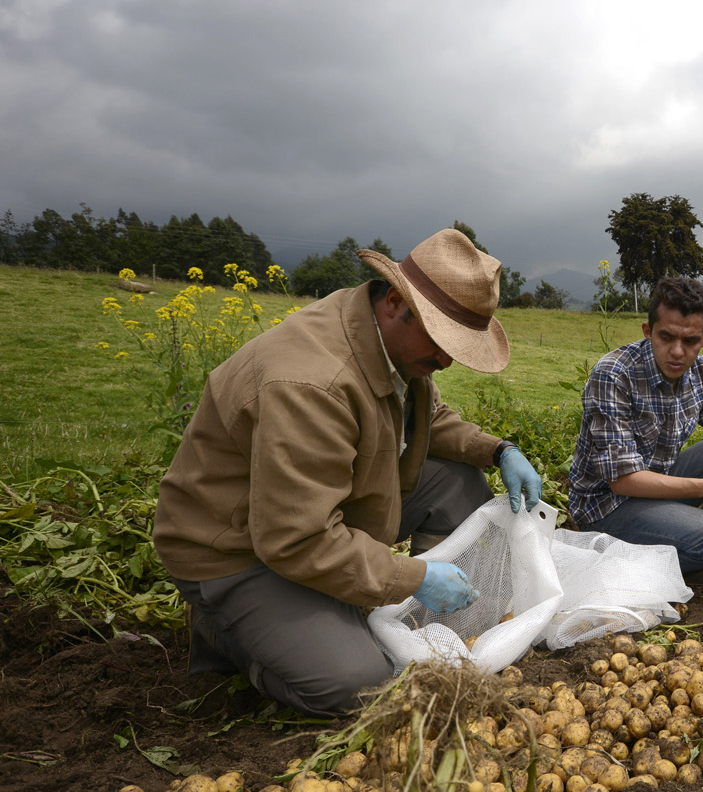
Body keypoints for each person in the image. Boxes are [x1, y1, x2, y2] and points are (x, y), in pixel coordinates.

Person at [153, 228, 544, 715]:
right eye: (441, 341)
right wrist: (413, 575)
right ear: (394, 301)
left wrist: (499, 450)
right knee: (358, 685)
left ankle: (407, 621)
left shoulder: (386, 339)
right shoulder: (312, 384)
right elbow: (295, 538)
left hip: (328, 508)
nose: (445, 360)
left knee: (457, 482)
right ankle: (224, 630)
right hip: (240, 547)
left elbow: (427, 421)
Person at [568, 276, 703, 586]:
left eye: (690, 341)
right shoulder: (614, 374)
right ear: (648, 332)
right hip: (607, 508)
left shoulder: (700, 371)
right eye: (666, 337)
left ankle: (699, 559)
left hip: (656, 486)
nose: (677, 351)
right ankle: (624, 562)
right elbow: (622, 481)